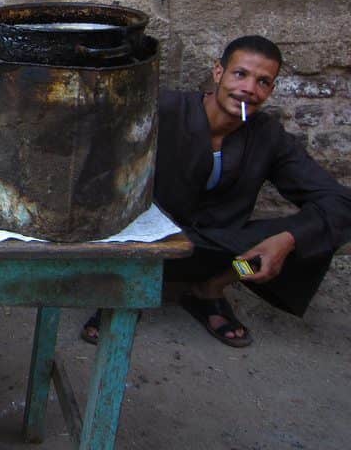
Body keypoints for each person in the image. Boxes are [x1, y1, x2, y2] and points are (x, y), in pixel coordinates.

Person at [81, 35, 351, 348]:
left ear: (270, 90)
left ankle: (210, 288)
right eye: (241, 74)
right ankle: (126, 293)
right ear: (218, 73)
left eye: (263, 81)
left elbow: (339, 200)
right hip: (147, 240)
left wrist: (288, 240)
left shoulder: (268, 137)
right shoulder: (163, 110)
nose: (249, 88)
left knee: (316, 229)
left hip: (219, 250)